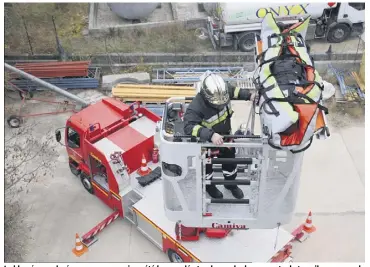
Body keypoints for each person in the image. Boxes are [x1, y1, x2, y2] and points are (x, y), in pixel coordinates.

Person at [183, 72, 255, 199]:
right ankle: (209, 186)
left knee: (230, 162)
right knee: (207, 167)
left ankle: (230, 184)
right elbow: (189, 127)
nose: (220, 105)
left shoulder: (223, 90)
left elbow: (236, 91)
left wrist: (249, 95)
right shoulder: (196, 106)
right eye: (217, 103)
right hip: (207, 143)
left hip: (226, 137)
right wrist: (210, 135)